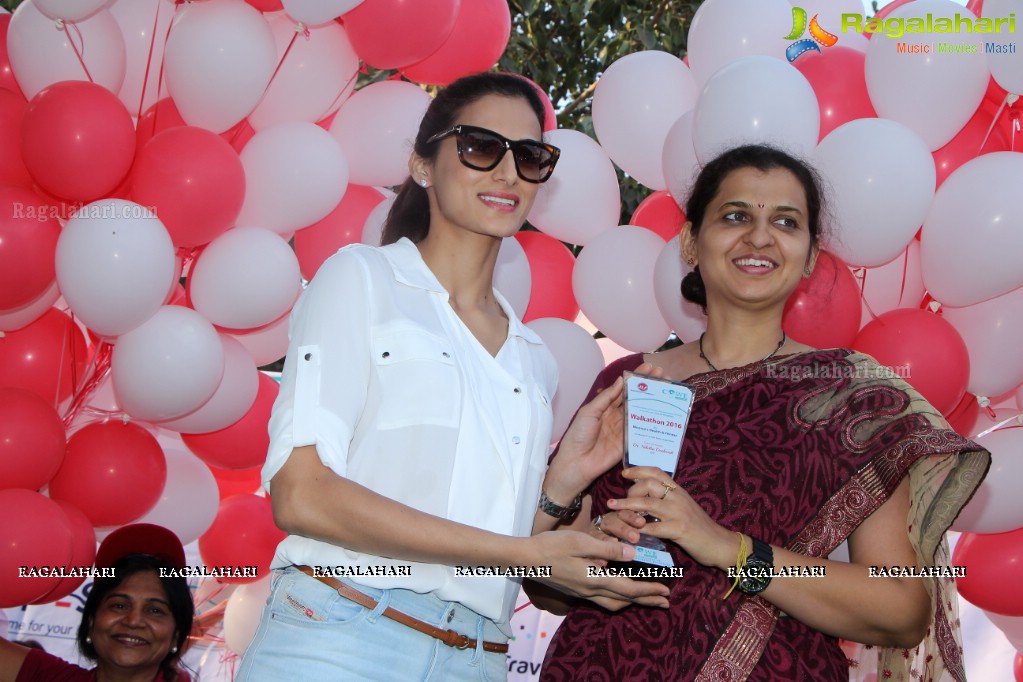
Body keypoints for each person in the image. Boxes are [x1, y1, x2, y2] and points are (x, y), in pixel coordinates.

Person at [236, 72, 667, 682]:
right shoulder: (362, 280)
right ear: (422, 163)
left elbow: (490, 543)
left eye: (529, 156)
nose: (507, 172)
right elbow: (301, 493)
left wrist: (561, 481)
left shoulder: (532, 358)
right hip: (341, 637)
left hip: (478, 659)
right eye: (479, 146)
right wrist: (522, 553)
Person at [534, 144, 990, 682]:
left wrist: (728, 548)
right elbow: (545, 587)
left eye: (786, 221)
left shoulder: (850, 396)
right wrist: (592, 537)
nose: (759, 236)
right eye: (735, 216)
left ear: (811, 254)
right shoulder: (629, 382)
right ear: (690, 240)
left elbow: (901, 607)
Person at [0, 523, 194, 682]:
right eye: (119, 605)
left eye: (154, 610)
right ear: (91, 621)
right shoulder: (47, 676)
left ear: (176, 635)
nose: (134, 621)